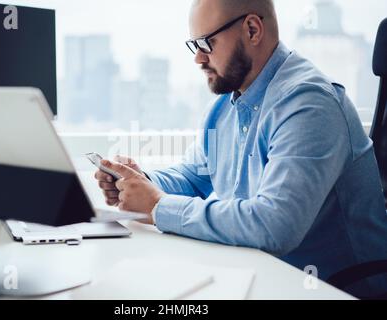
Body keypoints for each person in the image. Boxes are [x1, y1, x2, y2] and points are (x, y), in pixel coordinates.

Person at [94, 0, 387, 297]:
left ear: (251, 29)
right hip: (262, 276)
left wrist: (157, 206)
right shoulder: (226, 105)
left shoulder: (309, 103)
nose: (198, 58)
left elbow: (275, 225)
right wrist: (139, 183)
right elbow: (194, 177)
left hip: (332, 289)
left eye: (206, 43)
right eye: (193, 45)